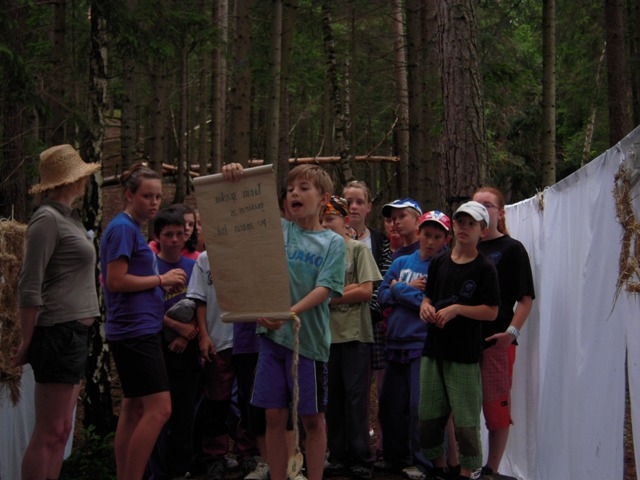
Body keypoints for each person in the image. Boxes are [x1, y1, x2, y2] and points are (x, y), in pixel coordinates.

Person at [222, 162, 346, 480]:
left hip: (308, 344)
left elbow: (325, 288)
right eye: (290, 189)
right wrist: (235, 177)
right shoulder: (278, 230)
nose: (294, 194)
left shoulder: (332, 242)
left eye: (304, 188)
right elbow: (242, 217)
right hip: (271, 341)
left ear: (324, 199)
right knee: (273, 416)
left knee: (311, 419)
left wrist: (287, 312)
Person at [13, 144, 101, 480]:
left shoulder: (69, 218)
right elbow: (29, 284)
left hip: (74, 333)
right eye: (82, 176)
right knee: (49, 431)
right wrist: (27, 340)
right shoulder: (47, 219)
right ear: (72, 180)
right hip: (56, 332)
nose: (85, 181)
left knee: (62, 430)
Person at [101, 162, 187, 480]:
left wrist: (158, 285)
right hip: (134, 331)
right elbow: (115, 280)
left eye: (158, 197)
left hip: (137, 328)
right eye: (147, 196)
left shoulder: (130, 228)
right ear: (129, 195)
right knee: (160, 409)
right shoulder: (123, 229)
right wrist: (160, 280)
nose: (154, 202)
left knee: (135, 408)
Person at [418, 201, 500, 480]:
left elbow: (492, 311)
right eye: (460, 222)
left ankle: (468, 471)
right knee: (429, 416)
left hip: (464, 353)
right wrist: (425, 307)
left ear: (483, 231)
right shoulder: (439, 261)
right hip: (433, 350)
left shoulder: (485, 267)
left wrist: (457, 309)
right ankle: (438, 469)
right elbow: (429, 296)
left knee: (465, 421)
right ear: (453, 226)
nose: (464, 228)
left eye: (471, 224)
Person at [376, 210, 452, 478]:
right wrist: (406, 290)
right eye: (427, 234)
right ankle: (396, 459)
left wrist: (399, 289)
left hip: (423, 344)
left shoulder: (444, 266)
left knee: (421, 407)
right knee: (390, 406)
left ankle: (426, 463)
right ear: (418, 233)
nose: (430, 241)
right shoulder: (401, 261)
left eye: (437, 237)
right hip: (395, 343)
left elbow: (432, 305)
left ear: (446, 240)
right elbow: (381, 296)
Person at [472, 187, 535, 478]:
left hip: (496, 342)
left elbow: (525, 298)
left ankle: (491, 470)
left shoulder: (512, 249)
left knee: (496, 409)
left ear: (500, 212)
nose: (482, 210)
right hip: (462, 342)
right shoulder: (463, 247)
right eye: (476, 205)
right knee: (459, 409)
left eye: (488, 205)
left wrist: (510, 333)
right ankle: (462, 466)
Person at [320, 196, 382, 480]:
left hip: (355, 335)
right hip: (327, 336)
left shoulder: (357, 250)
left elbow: (366, 290)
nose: (325, 225)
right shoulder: (321, 254)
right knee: (332, 397)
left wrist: (329, 296)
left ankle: (361, 457)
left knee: (356, 397)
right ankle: (338, 455)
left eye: (330, 219)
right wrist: (346, 291)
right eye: (322, 220)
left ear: (345, 222)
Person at [147, 208, 199, 480]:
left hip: (188, 350)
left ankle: (180, 468)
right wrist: (176, 327)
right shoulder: (150, 269)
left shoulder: (194, 267)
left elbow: (203, 306)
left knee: (184, 412)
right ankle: (156, 470)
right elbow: (146, 309)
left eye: (180, 233)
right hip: (158, 350)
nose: (175, 239)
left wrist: (187, 334)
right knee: (158, 413)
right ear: (157, 237)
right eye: (168, 234)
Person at [187, 249, 235, 480]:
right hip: (218, 338)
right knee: (217, 401)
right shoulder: (205, 259)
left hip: (250, 339)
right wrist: (204, 335)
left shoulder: (254, 250)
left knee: (250, 399)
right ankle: (215, 456)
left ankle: (249, 452)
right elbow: (200, 299)